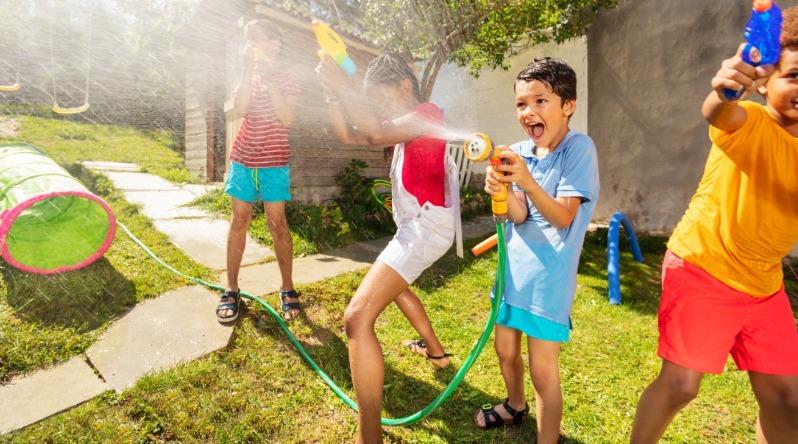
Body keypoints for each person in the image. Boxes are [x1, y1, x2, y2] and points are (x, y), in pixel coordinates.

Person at [631, 9, 798, 444]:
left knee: (787, 400)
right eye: (795, 75)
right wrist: (725, 90)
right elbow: (718, 113)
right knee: (680, 387)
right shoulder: (753, 121)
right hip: (704, 268)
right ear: (764, 82)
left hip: (764, 286)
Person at [317, 52, 463, 443]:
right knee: (397, 289)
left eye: (384, 98)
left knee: (356, 319)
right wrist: (334, 95)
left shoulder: (427, 113)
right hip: (415, 228)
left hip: (426, 228)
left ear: (404, 86)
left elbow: (370, 133)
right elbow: (350, 135)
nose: (381, 108)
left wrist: (343, 86)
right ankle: (436, 352)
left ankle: (370, 439)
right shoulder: (404, 124)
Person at [474, 57, 599, 444]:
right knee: (505, 350)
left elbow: (563, 217)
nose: (528, 112)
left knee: (543, 372)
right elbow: (519, 215)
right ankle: (514, 405)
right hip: (513, 273)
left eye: (540, 101)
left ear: (568, 106)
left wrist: (524, 181)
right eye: (521, 104)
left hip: (548, 281)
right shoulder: (524, 153)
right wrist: (503, 191)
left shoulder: (579, 149)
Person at [216, 20, 301, 323]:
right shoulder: (247, 76)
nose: (259, 46)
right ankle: (231, 288)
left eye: (265, 40)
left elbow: (287, 118)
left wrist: (271, 81)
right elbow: (240, 109)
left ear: (277, 43)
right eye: (253, 41)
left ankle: (287, 288)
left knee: (277, 223)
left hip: (274, 160)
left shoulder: (289, 78)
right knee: (239, 219)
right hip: (244, 158)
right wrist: (246, 73)